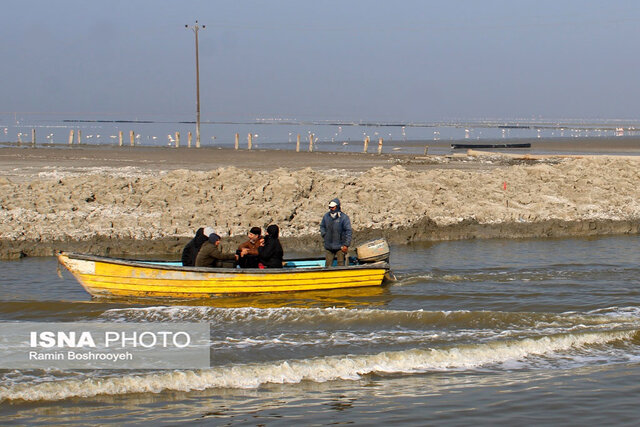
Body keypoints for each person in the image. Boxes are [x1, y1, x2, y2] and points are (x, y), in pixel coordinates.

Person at [320, 198, 352, 267]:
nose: (331, 208)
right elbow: (322, 226)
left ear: (337, 206)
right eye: (330, 207)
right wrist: (324, 234)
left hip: (340, 246)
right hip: (329, 246)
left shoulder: (344, 217)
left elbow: (348, 231)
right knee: (327, 266)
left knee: (341, 265)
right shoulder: (326, 216)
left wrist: (346, 245)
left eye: (333, 207)